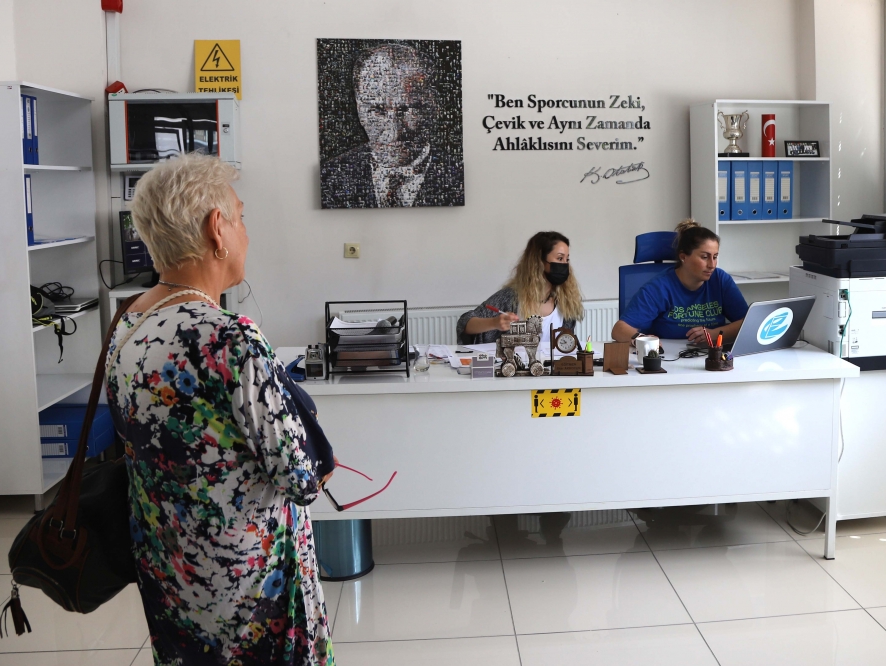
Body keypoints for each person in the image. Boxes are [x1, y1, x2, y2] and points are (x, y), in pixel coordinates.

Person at [107, 153, 336, 666]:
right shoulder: (229, 338)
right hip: (247, 585)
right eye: (241, 217)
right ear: (217, 228)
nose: (246, 233)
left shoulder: (128, 323)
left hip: (170, 569)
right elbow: (300, 477)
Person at [319, 43, 465, 208]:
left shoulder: (460, 179)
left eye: (407, 109)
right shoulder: (328, 179)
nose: (394, 132)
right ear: (358, 107)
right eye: (377, 110)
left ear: (434, 106)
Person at [611, 219, 748, 345]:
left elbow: (748, 323)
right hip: (670, 357)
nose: (712, 265)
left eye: (715, 257)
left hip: (712, 355)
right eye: (704, 257)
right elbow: (619, 330)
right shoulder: (660, 287)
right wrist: (643, 341)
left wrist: (715, 334)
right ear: (683, 257)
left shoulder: (720, 279)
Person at [457, 231, 583, 346]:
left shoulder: (566, 301)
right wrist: (494, 323)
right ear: (539, 260)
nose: (565, 265)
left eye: (567, 259)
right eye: (560, 258)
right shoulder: (510, 297)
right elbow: (465, 322)